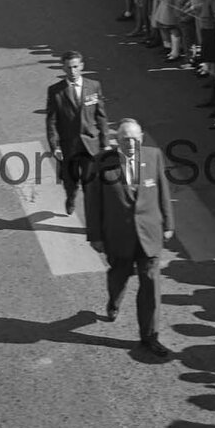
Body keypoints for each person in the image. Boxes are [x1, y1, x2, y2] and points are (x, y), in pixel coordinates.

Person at [85, 118, 174, 359]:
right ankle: (114, 300)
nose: (131, 143)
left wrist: (168, 223)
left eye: (135, 138)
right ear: (117, 141)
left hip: (149, 234)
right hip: (118, 236)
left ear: (142, 138)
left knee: (151, 285)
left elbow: (163, 190)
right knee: (118, 275)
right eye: (125, 139)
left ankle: (150, 336)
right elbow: (93, 203)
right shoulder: (101, 162)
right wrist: (94, 236)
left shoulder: (154, 156)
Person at [45, 50, 108, 216]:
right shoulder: (55, 91)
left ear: (81, 66)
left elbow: (101, 116)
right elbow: (51, 122)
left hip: (90, 144)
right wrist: (55, 146)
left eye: (75, 67)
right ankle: (71, 197)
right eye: (68, 68)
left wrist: (105, 143)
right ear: (63, 69)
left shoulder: (94, 86)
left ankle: (92, 217)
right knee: (70, 182)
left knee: (91, 184)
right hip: (68, 145)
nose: (72, 71)